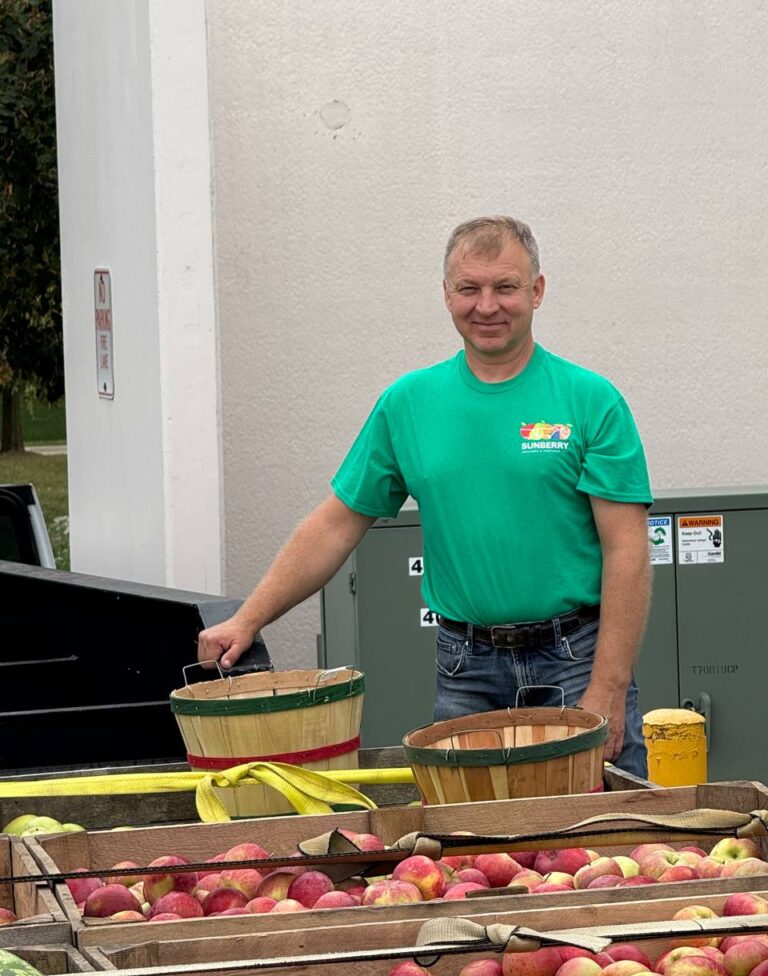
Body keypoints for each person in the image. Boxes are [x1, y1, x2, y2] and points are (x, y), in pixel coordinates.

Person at [198, 216, 653, 777]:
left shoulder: (591, 401)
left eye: (505, 287)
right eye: (469, 289)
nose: (487, 306)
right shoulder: (408, 404)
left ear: (537, 291)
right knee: (471, 851)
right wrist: (248, 620)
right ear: (446, 295)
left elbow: (628, 552)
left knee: (605, 843)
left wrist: (607, 686)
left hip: (576, 661)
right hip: (467, 669)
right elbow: (334, 526)